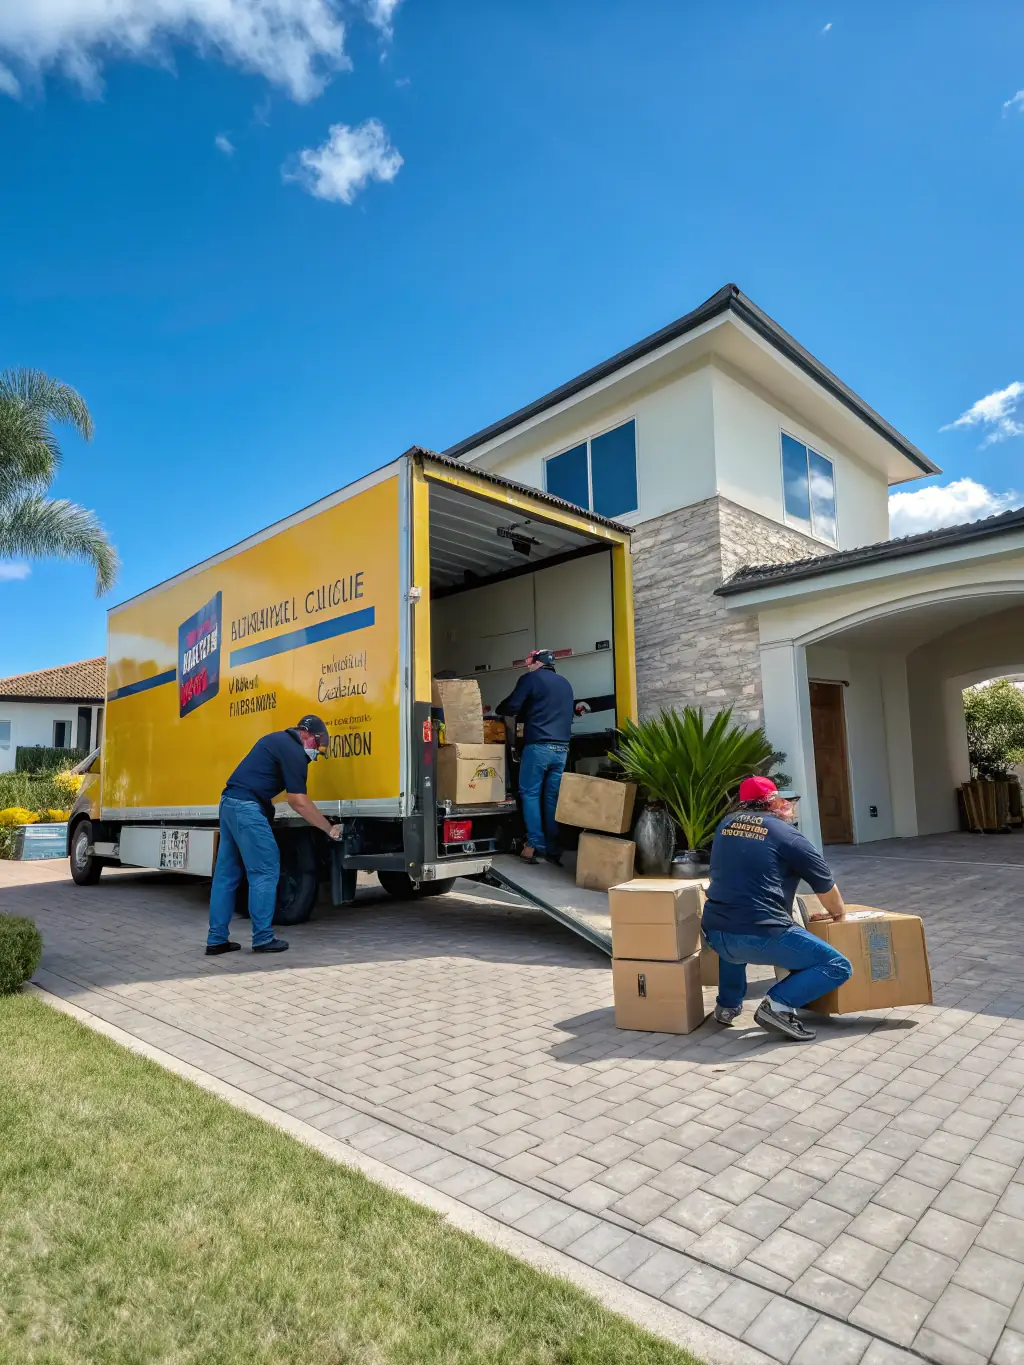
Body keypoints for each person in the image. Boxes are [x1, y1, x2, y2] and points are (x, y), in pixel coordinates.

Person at [701, 775, 853, 1042]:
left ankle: (727, 1006)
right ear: (773, 803)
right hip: (759, 935)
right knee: (837, 965)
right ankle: (778, 1006)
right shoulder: (788, 835)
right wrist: (839, 913)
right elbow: (826, 888)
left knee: (736, 924)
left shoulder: (725, 825)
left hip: (715, 932)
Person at [205, 715, 341, 956]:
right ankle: (263, 938)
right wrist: (328, 828)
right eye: (317, 747)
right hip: (246, 808)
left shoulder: (278, 740)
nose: (316, 754)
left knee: (226, 875)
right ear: (307, 734)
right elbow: (298, 801)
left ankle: (216, 939)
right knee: (265, 870)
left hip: (229, 804)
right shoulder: (294, 750)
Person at [496, 648, 576, 866]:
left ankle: (535, 845)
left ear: (538, 663)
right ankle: (553, 848)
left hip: (539, 746)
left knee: (529, 794)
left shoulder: (530, 679)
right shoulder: (565, 683)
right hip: (561, 749)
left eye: (529, 662)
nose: (528, 666)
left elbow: (511, 706)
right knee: (551, 798)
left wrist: (500, 710)